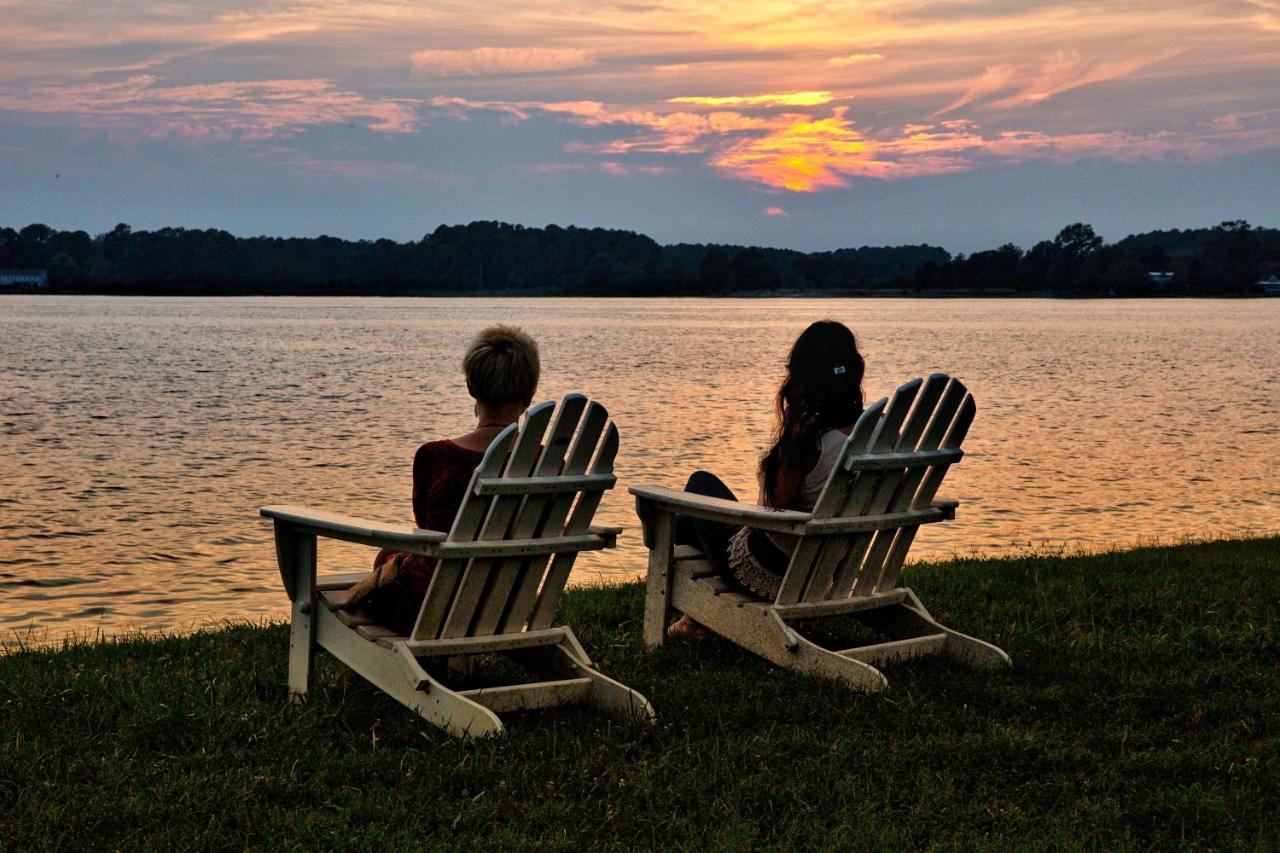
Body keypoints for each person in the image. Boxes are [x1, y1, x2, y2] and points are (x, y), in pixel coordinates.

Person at [669, 320, 866, 638]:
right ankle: (696, 619)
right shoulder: (877, 433)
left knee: (697, 488)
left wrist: (773, 461)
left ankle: (694, 615)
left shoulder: (807, 439)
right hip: (830, 568)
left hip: (774, 569)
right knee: (695, 507)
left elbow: (771, 509)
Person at [343, 325, 541, 635]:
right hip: (506, 603)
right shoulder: (547, 464)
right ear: (530, 394)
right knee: (391, 558)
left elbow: (426, 535)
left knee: (386, 557)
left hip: (433, 607)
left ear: (470, 385)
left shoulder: (436, 458)